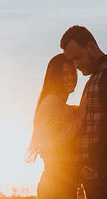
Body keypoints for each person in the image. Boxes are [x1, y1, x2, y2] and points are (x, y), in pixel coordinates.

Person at [60, 26, 107, 199]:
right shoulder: (99, 75)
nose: (75, 65)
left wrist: (92, 166)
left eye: (77, 57)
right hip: (100, 174)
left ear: (91, 47)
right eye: (71, 60)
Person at [26, 53, 82, 199]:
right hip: (56, 186)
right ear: (56, 76)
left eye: (72, 72)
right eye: (65, 73)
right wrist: (80, 117)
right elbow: (52, 143)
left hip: (62, 184)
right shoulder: (51, 102)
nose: (71, 77)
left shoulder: (60, 105)